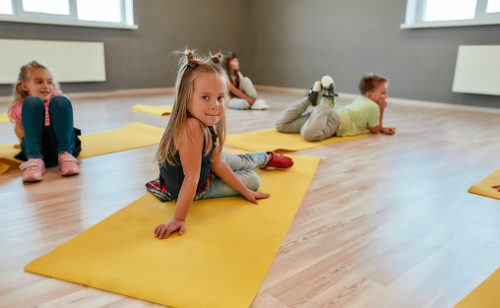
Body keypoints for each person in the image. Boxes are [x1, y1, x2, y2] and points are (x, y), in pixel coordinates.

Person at [147, 50, 293, 239]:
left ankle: (265, 157)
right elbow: (191, 177)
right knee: (253, 180)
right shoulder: (191, 126)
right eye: (205, 97)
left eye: (220, 98)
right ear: (186, 98)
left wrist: (244, 191)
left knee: (240, 164)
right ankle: (262, 159)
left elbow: (217, 162)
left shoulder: (205, 121)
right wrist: (178, 218)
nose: (215, 105)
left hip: (205, 165)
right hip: (196, 186)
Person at [8, 60, 81, 182]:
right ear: (24, 86)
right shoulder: (21, 106)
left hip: (61, 144)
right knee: (31, 102)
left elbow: (65, 124)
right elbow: (20, 128)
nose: (46, 86)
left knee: (60, 100)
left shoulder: (56, 100)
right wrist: (23, 143)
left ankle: (65, 156)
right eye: (39, 82)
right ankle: (35, 161)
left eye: (49, 82)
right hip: (37, 149)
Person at [276, 74, 396, 142]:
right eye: (383, 93)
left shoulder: (361, 99)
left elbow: (368, 123)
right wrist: (382, 109)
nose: (386, 96)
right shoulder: (374, 107)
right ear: (369, 95)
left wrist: (382, 128)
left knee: (282, 125)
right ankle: (327, 98)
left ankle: (309, 99)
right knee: (310, 136)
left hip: (325, 116)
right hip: (335, 123)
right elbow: (375, 129)